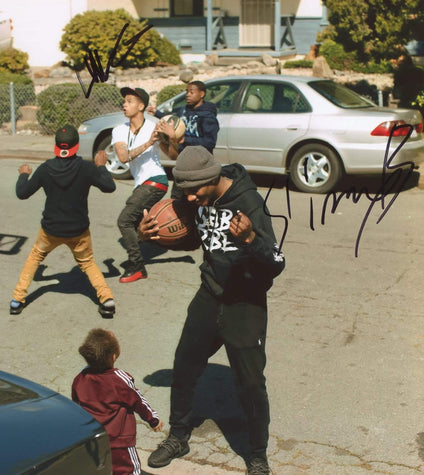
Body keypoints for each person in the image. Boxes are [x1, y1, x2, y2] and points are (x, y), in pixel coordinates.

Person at [140, 146, 285, 475]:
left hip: (245, 302)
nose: (189, 199)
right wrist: (151, 236)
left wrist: (250, 238)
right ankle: (178, 436)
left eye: (195, 192)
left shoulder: (248, 202)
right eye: (185, 192)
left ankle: (257, 455)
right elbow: (193, 238)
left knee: (250, 383)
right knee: (185, 367)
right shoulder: (193, 194)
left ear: (211, 179)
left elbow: (277, 263)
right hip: (210, 295)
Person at [9, 124, 117, 318]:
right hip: (79, 231)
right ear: (76, 146)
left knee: (35, 257)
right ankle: (106, 299)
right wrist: (101, 165)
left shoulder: (45, 169)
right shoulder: (86, 168)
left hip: (50, 230)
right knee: (88, 263)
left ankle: (17, 300)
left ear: (57, 146)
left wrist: (24, 174)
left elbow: (22, 193)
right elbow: (109, 186)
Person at [72, 328, 163, 475]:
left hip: (94, 439)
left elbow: (76, 408)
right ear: (113, 356)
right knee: (129, 470)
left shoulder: (80, 379)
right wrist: (153, 419)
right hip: (120, 442)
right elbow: (138, 401)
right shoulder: (119, 379)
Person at [113, 86, 168, 283]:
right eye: (124, 101)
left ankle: (137, 267)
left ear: (141, 105)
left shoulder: (155, 126)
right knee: (136, 223)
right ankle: (165, 238)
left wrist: (171, 139)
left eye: (129, 101)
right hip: (141, 183)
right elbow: (123, 157)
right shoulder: (119, 130)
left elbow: (173, 155)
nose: (124, 104)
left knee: (124, 220)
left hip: (156, 180)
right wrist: (148, 143)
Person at [149, 80, 220, 200]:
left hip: (199, 165)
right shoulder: (183, 110)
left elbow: (210, 142)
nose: (187, 94)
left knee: (197, 199)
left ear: (201, 94)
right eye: (187, 91)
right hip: (183, 162)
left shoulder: (208, 115)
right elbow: (173, 121)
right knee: (177, 199)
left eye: (192, 92)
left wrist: (184, 140)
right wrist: (157, 113)